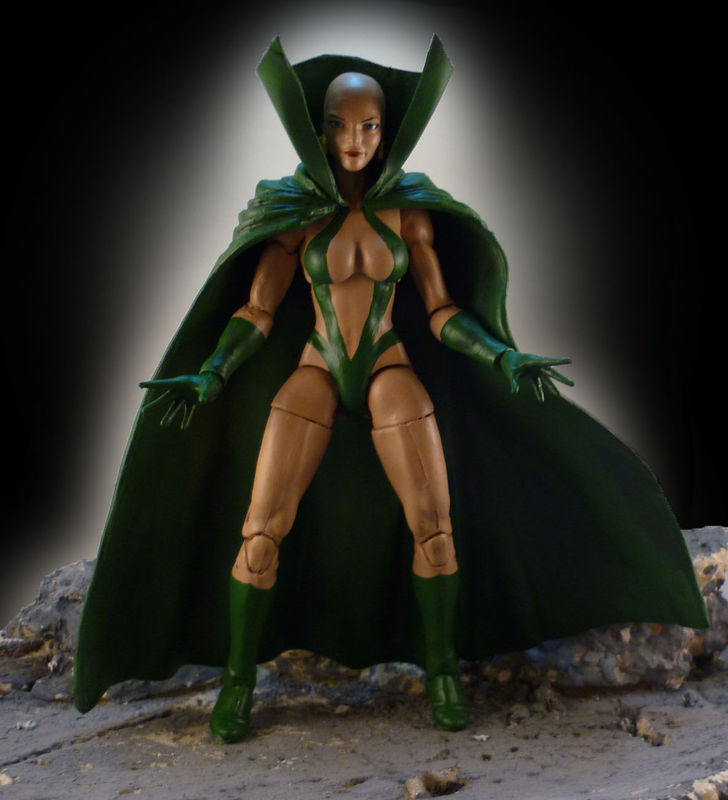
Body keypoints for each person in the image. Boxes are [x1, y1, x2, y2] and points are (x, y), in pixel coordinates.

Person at [73, 37, 708, 742]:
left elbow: (441, 313)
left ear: (387, 131)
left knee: (434, 525)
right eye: (341, 125)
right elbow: (256, 310)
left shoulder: (410, 210)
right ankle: (238, 679)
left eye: (370, 126)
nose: (355, 140)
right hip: (316, 367)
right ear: (320, 131)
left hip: (387, 366)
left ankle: (441, 670)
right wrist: (213, 370)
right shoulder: (295, 208)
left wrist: (500, 354)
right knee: (260, 529)